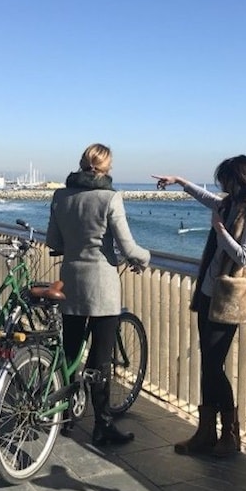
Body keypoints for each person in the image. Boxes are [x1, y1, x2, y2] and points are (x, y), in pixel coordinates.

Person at [153, 155, 246, 458]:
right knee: (209, 364)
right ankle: (207, 433)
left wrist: (220, 231)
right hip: (209, 292)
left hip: (229, 298)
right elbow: (207, 197)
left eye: (224, 179)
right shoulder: (229, 203)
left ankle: (229, 434)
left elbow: (245, 256)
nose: (220, 184)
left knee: (213, 366)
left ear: (237, 179)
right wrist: (179, 181)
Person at [46, 143, 151, 446]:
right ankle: (102, 424)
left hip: (70, 282)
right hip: (102, 286)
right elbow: (128, 247)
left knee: (69, 351)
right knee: (101, 359)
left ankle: (64, 416)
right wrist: (144, 258)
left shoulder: (61, 196)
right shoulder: (110, 198)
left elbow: (54, 239)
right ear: (107, 167)